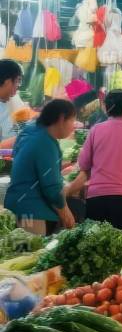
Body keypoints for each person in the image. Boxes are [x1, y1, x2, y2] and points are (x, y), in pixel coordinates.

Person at [72, 89, 122, 239]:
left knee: (97, 247)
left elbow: (84, 165)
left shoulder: (95, 130)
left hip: (96, 200)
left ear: (105, 107)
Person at [6, 99, 78, 232]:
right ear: (62, 118)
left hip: (16, 206)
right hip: (31, 212)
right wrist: (66, 214)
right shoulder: (45, 142)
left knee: (20, 251)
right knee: (28, 251)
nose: (74, 126)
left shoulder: (31, 131)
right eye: (72, 121)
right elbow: (52, 188)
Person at [0, 59, 23, 141]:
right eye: (18, 81)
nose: (18, 86)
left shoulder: (14, 99)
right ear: (8, 82)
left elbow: (22, 124)